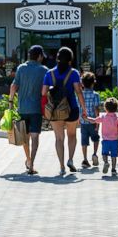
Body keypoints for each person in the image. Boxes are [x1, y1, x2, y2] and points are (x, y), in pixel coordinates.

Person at [41, 46, 87, 175]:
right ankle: (71, 160)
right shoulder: (74, 73)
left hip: (55, 110)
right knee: (72, 135)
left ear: (57, 58)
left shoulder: (49, 73)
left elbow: (43, 92)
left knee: (59, 138)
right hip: (71, 108)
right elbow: (79, 92)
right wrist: (84, 109)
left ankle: (61, 166)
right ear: (70, 60)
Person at [9, 45, 48, 175]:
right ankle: (32, 164)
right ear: (39, 56)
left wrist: (10, 104)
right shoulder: (44, 70)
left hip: (22, 108)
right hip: (36, 109)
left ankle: (28, 159)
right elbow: (46, 90)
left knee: (24, 137)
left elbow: (13, 86)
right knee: (35, 136)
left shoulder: (21, 68)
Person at [85, 97, 118, 176]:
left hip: (106, 140)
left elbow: (93, 120)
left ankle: (106, 162)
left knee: (104, 154)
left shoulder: (103, 117)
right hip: (114, 141)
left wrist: (86, 118)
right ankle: (113, 169)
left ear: (105, 108)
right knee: (114, 156)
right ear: (116, 108)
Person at [79, 71, 101, 168]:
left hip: (83, 122)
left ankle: (85, 159)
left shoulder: (80, 95)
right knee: (95, 138)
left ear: (82, 83)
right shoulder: (95, 95)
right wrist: (97, 123)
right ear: (93, 83)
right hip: (93, 121)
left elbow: (78, 107)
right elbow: (96, 110)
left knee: (84, 141)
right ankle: (95, 154)